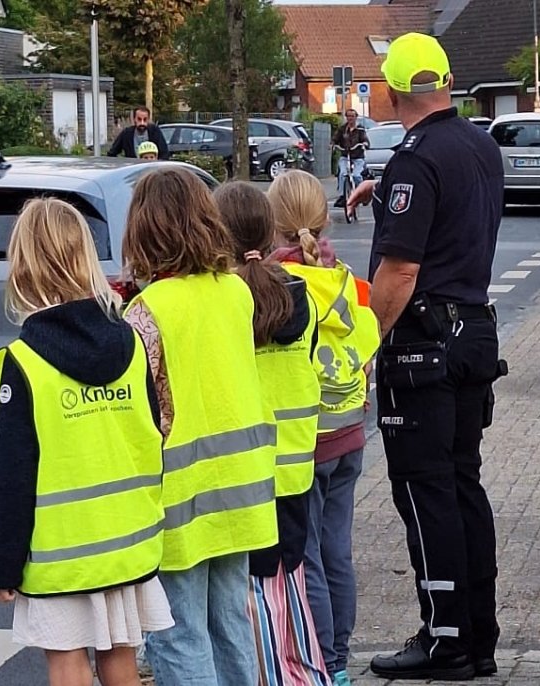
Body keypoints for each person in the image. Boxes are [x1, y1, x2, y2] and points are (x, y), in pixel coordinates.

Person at [345, 32, 505, 680]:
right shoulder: (479, 145)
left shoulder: (416, 159)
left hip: (423, 347)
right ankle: (478, 637)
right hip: (474, 336)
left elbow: (401, 271)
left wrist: (364, 345)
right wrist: (387, 188)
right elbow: (451, 202)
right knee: (463, 483)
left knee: (424, 492)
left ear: (393, 89)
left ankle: (445, 643)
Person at [0, 198, 175, 686]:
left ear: (23, 267)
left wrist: (4, 565)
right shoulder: (133, 344)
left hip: (62, 554)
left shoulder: (22, 362)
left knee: (67, 660)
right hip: (128, 541)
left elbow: (12, 473)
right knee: (120, 656)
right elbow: (153, 434)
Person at [122, 167, 279, 686]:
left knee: (179, 632)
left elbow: (145, 410)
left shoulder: (147, 310)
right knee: (231, 622)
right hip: (243, 489)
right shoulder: (235, 291)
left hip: (181, 495)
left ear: (144, 229)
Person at [213, 181, 329, 686]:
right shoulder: (300, 294)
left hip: (245, 474)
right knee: (290, 585)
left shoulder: (226, 305)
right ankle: (306, 673)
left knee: (251, 596)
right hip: (296, 466)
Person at [268, 170, 381, 686]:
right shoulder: (346, 278)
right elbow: (368, 344)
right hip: (351, 429)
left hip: (304, 439)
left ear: (274, 226)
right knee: (338, 551)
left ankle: (323, 660)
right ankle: (341, 658)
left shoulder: (277, 288)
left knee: (306, 556)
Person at [332, 110, 370, 208]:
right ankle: (342, 196)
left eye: (352, 116)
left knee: (357, 175)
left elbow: (365, 140)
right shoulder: (342, 129)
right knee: (342, 174)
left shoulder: (360, 129)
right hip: (345, 155)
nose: (350, 118)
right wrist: (332, 144)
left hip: (357, 157)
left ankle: (362, 194)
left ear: (356, 117)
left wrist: (364, 144)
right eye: (348, 116)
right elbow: (335, 139)